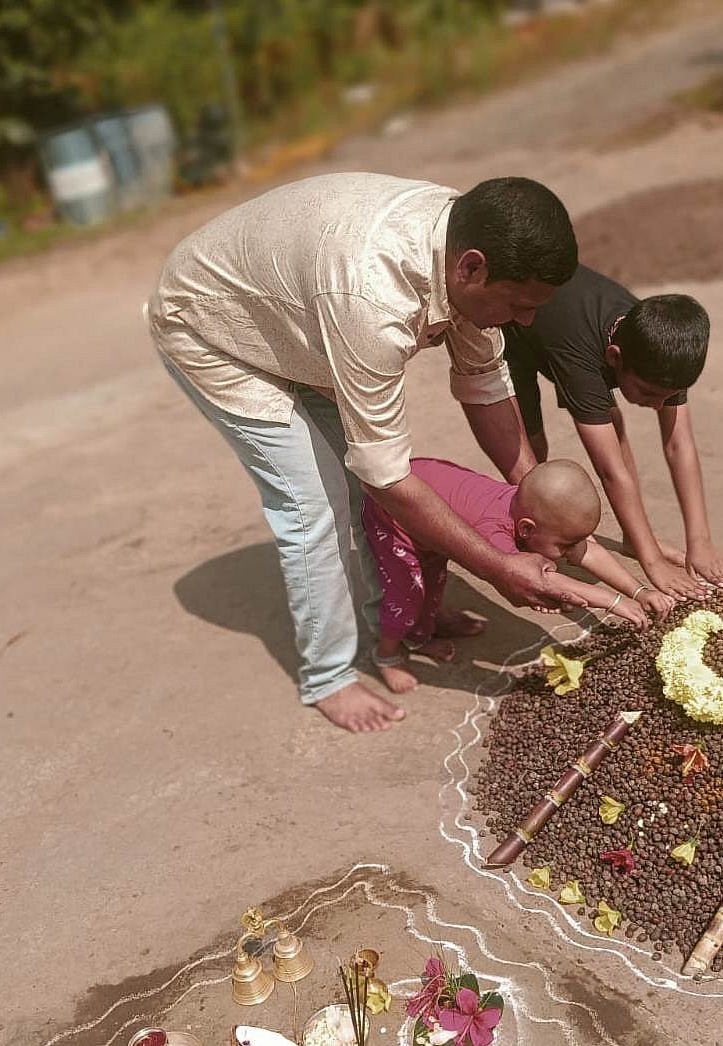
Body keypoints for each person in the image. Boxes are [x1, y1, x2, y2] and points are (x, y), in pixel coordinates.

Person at [148, 172, 578, 733]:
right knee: (317, 505)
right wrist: (498, 567)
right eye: (520, 304)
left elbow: (485, 385)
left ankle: (402, 617)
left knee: (363, 497)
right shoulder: (373, 298)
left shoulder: (466, 243)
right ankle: (327, 676)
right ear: (470, 268)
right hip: (212, 326)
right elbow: (387, 476)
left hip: (297, 317)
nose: (527, 321)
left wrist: (536, 503)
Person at [502, 265, 723, 601]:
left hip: (566, 321)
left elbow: (678, 444)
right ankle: (534, 535)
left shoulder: (664, 349)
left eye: (668, 397)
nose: (659, 406)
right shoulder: (583, 361)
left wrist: (699, 540)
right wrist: (652, 561)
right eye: (647, 393)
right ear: (615, 357)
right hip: (513, 331)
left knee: (612, 423)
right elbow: (611, 472)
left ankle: (633, 536)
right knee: (529, 445)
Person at [362, 456, 666, 693]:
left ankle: (421, 634)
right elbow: (545, 580)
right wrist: (613, 602)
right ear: (525, 529)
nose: (571, 553)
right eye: (565, 546)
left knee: (433, 578)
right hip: (397, 516)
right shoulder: (496, 534)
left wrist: (639, 592)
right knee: (407, 596)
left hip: (433, 511)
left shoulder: (532, 513)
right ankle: (387, 653)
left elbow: (589, 551)